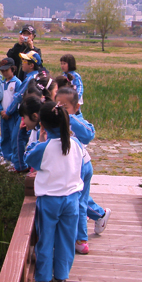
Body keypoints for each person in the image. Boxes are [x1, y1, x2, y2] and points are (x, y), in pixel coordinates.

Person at [25, 101, 84, 282]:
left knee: (46, 238)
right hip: (72, 199)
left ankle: (42, 280)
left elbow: (29, 158)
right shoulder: (75, 144)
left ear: (42, 125)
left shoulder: (45, 147)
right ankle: (61, 277)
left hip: (50, 199)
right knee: (67, 238)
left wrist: (40, 141)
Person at [56, 87, 111, 255]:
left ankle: (81, 240)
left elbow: (89, 134)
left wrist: (69, 118)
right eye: (58, 104)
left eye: (65, 106)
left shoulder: (76, 121)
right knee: (78, 200)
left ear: (76, 107)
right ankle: (98, 215)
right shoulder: (56, 118)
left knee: (79, 203)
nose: (60, 108)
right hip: (70, 168)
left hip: (81, 167)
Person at [5, 51, 42, 172]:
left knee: (18, 138)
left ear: (31, 65)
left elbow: (18, 97)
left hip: (27, 114)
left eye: (24, 62)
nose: (22, 64)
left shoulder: (30, 79)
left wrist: (9, 111)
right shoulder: (38, 76)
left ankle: (20, 166)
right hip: (33, 114)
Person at [0, 58, 21, 165]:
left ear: (13, 69)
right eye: (2, 71)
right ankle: (6, 157)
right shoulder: (2, 83)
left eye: (6, 70)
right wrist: (0, 111)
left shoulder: (17, 83)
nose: (4, 73)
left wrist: (9, 112)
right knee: (5, 136)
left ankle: (13, 159)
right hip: (3, 115)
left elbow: (18, 100)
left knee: (13, 137)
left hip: (13, 115)